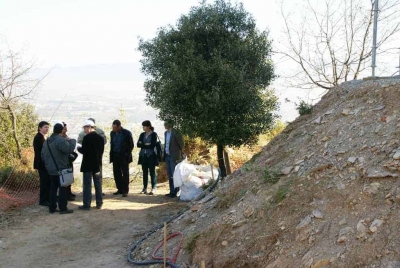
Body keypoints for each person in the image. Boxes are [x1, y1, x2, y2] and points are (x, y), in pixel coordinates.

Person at [41, 123, 76, 214]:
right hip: (61, 168)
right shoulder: (60, 140)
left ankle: (52, 208)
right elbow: (69, 149)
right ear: (61, 130)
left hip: (51, 169)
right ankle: (63, 208)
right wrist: (72, 141)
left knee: (53, 189)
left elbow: (42, 155)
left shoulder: (47, 141)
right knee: (63, 188)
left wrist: (48, 165)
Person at [77, 119, 104, 210]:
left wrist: (78, 149)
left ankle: (87, 204)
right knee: (98, 184)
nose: (84, 130)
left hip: (88, 165)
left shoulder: (86, 138)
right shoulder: (100, 139)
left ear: (88, 127)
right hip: (98, 165)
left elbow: (84, 151)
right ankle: (99, 203)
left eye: (85, 128)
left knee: (87, 185)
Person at [109, 119, 134, 197]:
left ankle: (125, 190)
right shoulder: (112, 133)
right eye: (113, 127)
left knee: (125, 173)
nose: (114, 129)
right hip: (115, 155)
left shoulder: (126, 133)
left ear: (119, 126)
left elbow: (131, 145)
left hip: (124, 156)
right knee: (116, 173)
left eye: (115, 127)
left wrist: (126, 154)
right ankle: (119, 189)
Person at [163, 120, 184, 197]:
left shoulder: (176, 132)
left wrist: (179, 153)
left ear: (170, 124)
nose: (164, 125)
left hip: (174, 155)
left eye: (166, 123)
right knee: (169, 174)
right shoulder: (165, 133)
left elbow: (181, 144)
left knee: (174, 173)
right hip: (167, 155)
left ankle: (176, 191)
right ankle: (171, 191)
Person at [137, 120, 158, 195]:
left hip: (151, 155)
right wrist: (146, 144)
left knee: (152, 171)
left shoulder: (153, 134)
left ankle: (153, 187)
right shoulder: (142, 134)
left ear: (148, 126)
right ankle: (144, 188)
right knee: (144, 171)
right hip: (143, 155)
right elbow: (138, 144)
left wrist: (143, 144)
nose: (143, 127)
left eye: (144, 126)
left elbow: (152, 145)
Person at [33, 121, 51, 206]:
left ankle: (47, 198)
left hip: (44, 163)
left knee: (47, 181)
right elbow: (40, 152)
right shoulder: (39, 137)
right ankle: (43, 200)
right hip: (41, 163)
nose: (47, 129)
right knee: (44, 181)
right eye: (45, 127)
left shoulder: (42, 137)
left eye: (48, 127)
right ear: (40, 128)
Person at [60, 122, 78, 201]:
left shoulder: (65, 137)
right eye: (64, 129)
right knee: (65, 177)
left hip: (69, 160)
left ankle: (69, 192)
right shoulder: (60, 139)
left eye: (66, 129)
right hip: (63, 161)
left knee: (69, 176)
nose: (65, 131)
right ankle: (66, 195)